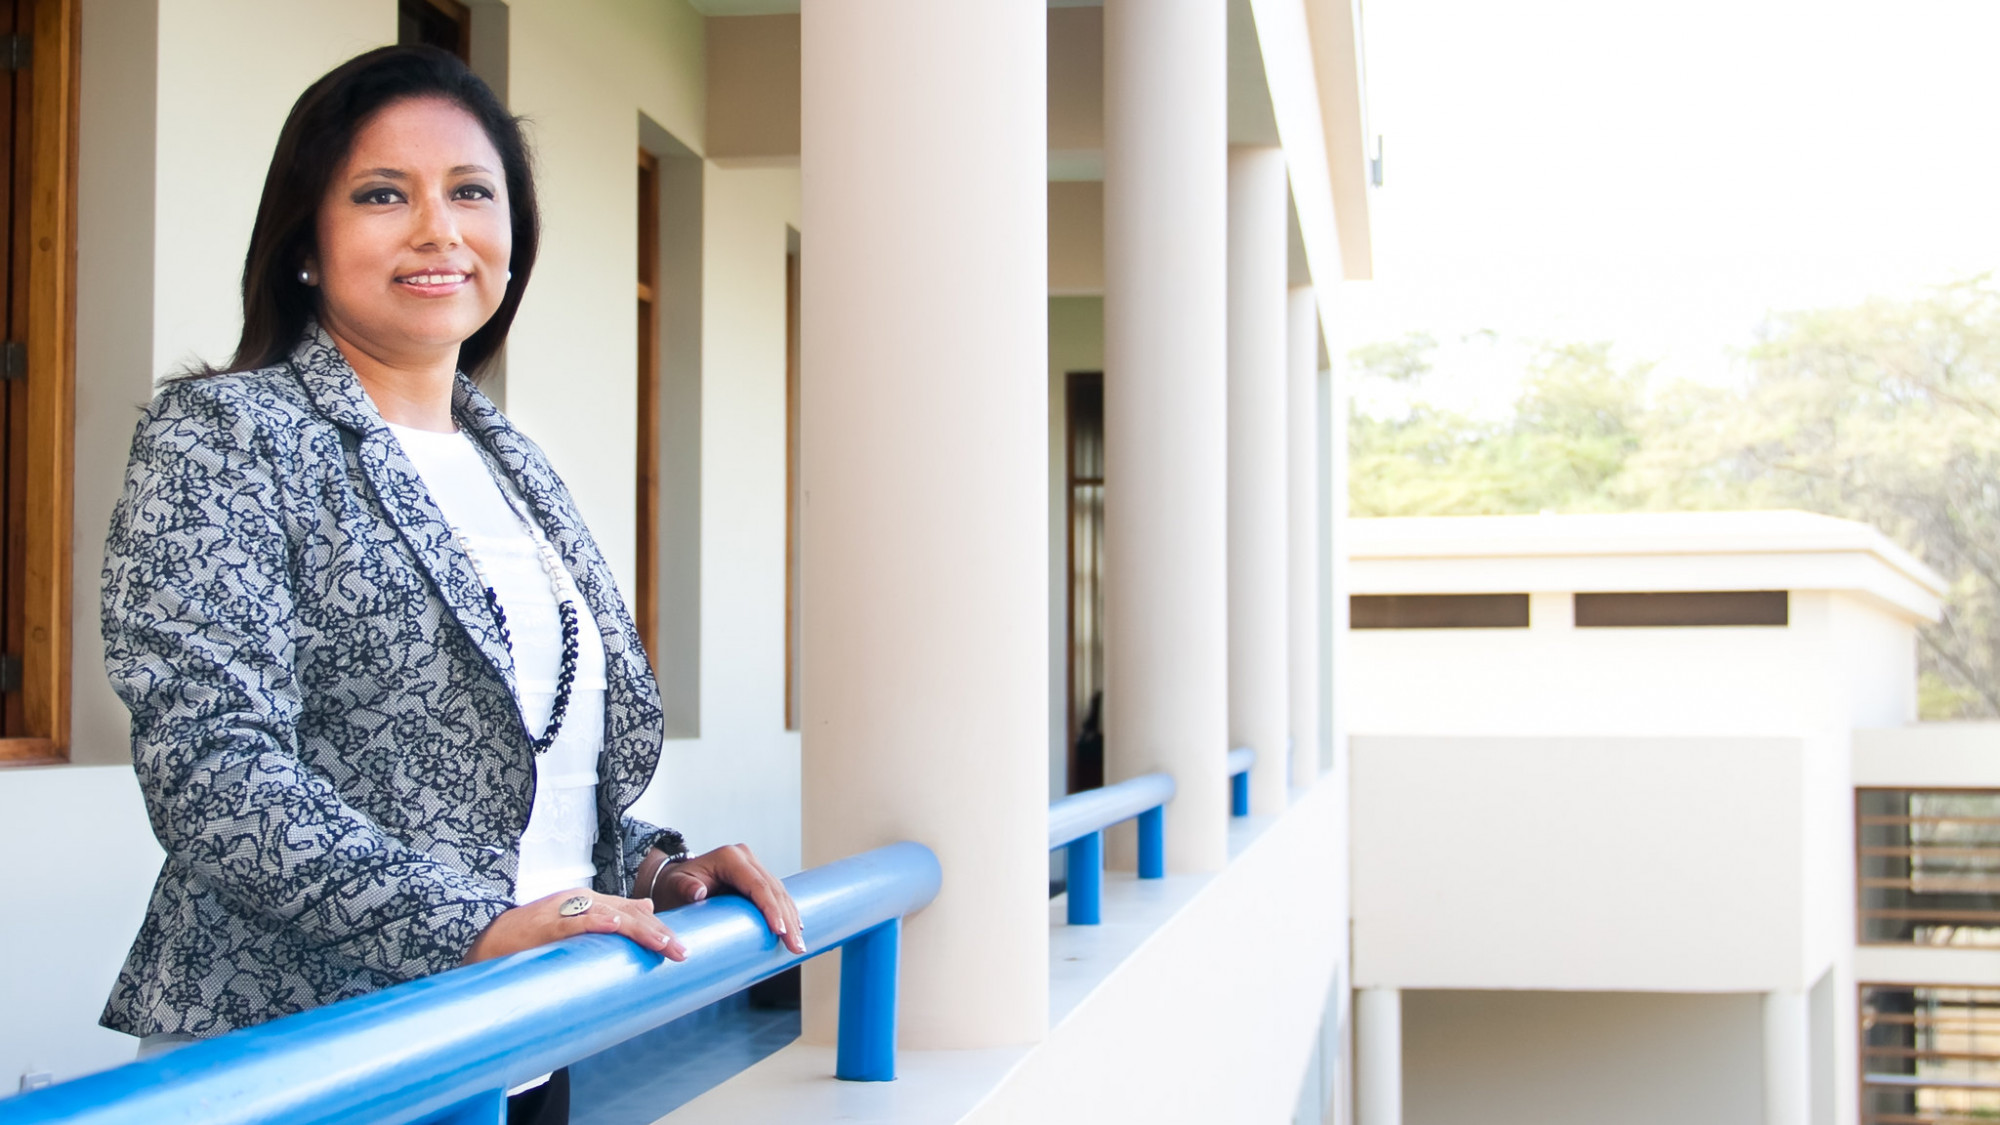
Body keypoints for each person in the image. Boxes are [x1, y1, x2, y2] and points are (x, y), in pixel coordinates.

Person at [97, 46, 801, 1125]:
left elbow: (521, 769)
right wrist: (473, 926)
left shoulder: (512, 466)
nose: (439, 230)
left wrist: (649, 868)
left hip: (519, 1034)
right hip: (316, 1052)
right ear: (304, 241)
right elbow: (214, 772)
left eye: (472, 192)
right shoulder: (227, 436)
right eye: (383, 195)